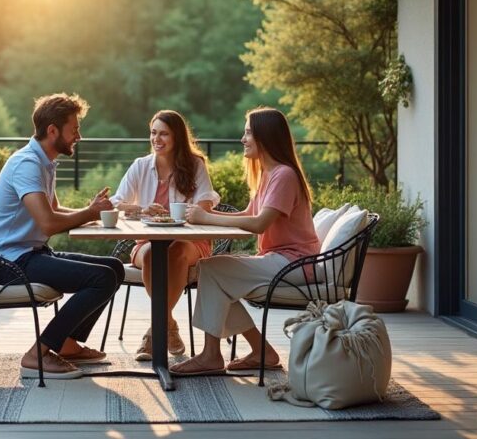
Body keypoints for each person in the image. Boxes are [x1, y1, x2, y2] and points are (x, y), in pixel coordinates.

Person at [168, 107, 320, 376]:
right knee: (211, 270)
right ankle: (259, 351)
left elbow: (259, 223)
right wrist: (204, 216)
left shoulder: (284, 175)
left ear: (265, 136)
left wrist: (207, 218)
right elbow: (249, 215)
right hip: (279, 260)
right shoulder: (269, 174)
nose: (243, 138)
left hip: (294, 263)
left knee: (212, 269)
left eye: (248, 132)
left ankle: (212, 356)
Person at [0, 93, 125, 379]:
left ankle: (68, 344)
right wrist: (90, 212)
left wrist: (92, 212)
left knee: (114, 268)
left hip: (31, 254)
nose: (79, 136)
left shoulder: (44, 162)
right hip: (10, 263)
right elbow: (48, 223)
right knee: (101, 278)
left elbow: (55, 209)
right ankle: (38, 353)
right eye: (74, 129)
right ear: (53, 130)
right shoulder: (27, 164)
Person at [111, 110, 219, 360]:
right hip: (148, 242)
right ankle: (167, 324)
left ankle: (153, 332)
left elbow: (206, 200)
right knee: (151, 255)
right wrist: (140, 209)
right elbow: (116, 202)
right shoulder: (140, 166)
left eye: (164, 134)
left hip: (189, 242)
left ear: (177, 137)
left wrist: (196, 210)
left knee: (177, 250)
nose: (156, 139)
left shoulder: (195, 165)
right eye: (153, 132)